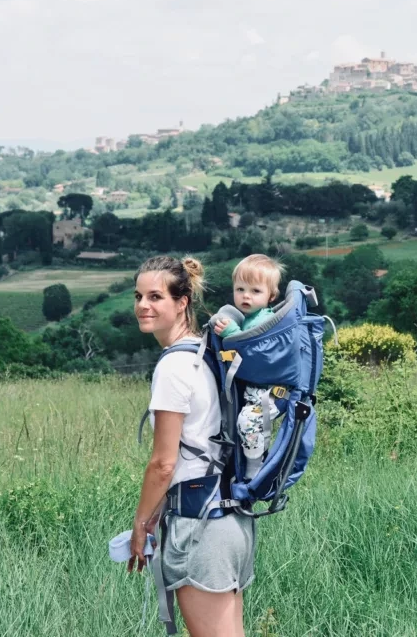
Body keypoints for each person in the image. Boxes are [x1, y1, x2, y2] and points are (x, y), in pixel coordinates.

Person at [128, 255, 254, 637]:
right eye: (138, 296)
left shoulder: (172, 367)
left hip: (201, 527)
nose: (142, 306)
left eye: (155, 296)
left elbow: (163, 463)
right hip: (232, 521)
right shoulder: (206, 352)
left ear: (182, 302)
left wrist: (141, 524)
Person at [214, 254, 286, 477]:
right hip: (257, 390)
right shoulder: (248, 317)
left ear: (271, 296)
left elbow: (250, 347)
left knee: (249, 420)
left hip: (273, 391)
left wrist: (230, 334)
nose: (246, 296)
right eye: (240, 289)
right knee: (242, 421)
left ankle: (255, 471)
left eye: (256, 291)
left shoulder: (266, 319)